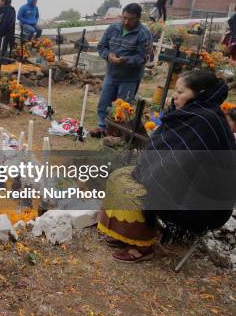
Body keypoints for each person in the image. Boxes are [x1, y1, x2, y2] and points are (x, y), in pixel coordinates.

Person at [98, 70, 236, 262]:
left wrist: (149, 175)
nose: (174, 96)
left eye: (180, 92)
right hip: (184, 184)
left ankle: (143, 246)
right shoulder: (190, 114)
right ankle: (125, 232)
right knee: (119, 176)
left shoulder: (205, 120)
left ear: (200, 93)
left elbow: (180, 165)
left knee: (133, 190)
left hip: (202, 201)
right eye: (175, 91)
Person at [90, 3, 152, 138]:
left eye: (131, 19)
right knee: (104, 103)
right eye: (124, 18)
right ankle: (102, 127)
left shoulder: (144, 34)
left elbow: (144, 57)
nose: (126, 21)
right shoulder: (113, 28)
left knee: (123, 107)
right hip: (111, 74)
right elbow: (101, 46)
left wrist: (125, 60)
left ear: (138, 18)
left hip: (129, 77)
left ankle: (117, 132)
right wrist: (108, 56)